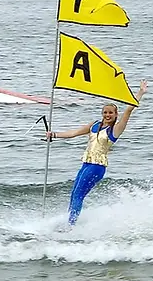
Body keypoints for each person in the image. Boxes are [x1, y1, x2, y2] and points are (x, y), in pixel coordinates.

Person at [47, 81, 147, 224]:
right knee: (74, 194)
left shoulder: (116, 129)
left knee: (78, 195)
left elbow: (128, 111)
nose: (107, 115)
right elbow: (73, 133)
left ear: (115, 114)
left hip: (97, 167)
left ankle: (70, 226)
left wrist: (140, 93)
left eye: (110, 113)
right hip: (86, 164)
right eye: (105, 112)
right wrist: (54, 135)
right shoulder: (94, 125)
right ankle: (70, 221)